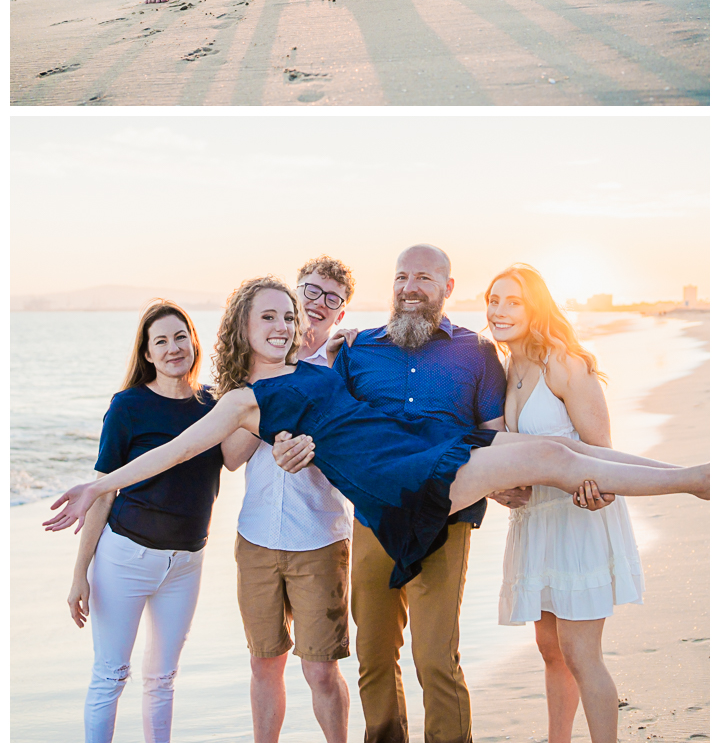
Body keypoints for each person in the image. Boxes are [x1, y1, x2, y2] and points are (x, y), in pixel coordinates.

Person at [45, 272, 710, 742]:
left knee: (553, 452)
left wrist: (309, 436)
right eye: (266, 316)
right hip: (394, 478)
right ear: (242, 327)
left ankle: (693, 476)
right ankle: (694, 480)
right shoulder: (241, 400)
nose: (280, 325)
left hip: (415, 445)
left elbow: (360, 390)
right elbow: (179, 450)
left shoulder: (326, 366)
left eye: (287, 315)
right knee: (552, 460)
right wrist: (99, 485)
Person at [278, 243, 508, 744]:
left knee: (435, 659)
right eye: (402, 277)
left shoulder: (478, 353)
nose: (409, 289)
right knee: (374, 656)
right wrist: (287, 443)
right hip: (374, 521)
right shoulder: (358, 351)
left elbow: (497, 433)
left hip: (447, 520)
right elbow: (328, 425)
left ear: (447, 288)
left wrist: (511, 482)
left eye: (423, 279)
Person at [66, 300, 238, 743]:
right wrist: (79, 574)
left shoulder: (214, 405)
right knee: (111, 675)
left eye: (180, 336)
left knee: (163, 679)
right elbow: (103, 494)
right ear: (147, 354)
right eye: (160, 341)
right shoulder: (128, 407)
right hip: (124, 558)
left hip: (186, 565)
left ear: (194, 342)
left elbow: (239, 457)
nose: (173, 347)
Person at [487, 265, 644, 743]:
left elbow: (603, 452)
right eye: (494, 300)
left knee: (580, 653)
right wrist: (500, 490)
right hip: (537, 522)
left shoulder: (564, 363)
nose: (500, 310)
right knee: (549, 650)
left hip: (579, 519)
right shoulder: (508, 368)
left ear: (536, 306)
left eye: (514, 301)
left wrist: (599, 490)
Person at [226, 256, 356, 742]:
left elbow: (357, 447)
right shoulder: (251, 368)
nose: (318, 304)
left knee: (320, 670)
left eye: (332, 298)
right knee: (264, 663)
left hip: (319, 536)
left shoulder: (345, 366)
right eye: (312, 291)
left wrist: (314, 444)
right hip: (256, 536)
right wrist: (268, 408)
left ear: (341, 313)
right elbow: (231, 457)